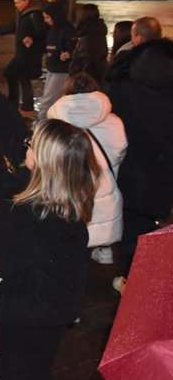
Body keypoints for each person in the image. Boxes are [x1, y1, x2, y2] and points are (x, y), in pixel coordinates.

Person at [0, 53, 99, 380]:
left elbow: (59, 306)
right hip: (0, 324)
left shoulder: (60, 229)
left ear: (44, 165)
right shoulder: (39, 182)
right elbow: (13, 133)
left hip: (23, 345)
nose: (25, 145)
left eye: (32, 145)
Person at [105, 16, 173, 294]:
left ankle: (129, 278)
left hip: (132, 163)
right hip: (165, 164)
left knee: (131, 221)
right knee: (156, 218)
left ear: (136, 37)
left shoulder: (124, 75)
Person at [48, 72, 127, 265]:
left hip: (71, 192)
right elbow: (119, 153)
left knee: (74, 245)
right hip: (105, 189)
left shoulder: (56, 126)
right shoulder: (115, 122)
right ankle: (105, 254)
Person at [0, 0, 46, 115]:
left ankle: (23, 105)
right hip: (22, 53)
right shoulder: (24, 14)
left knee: (17, 75)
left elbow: (42, 33)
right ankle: (22, 105)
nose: (16, 5)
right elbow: (13, 26)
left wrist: (32, 39)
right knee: (19, 76)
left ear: (26, 1)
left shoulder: (33, 15)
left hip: (28, 54)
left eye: (18, 2)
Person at [37, 2, 75, 121]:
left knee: (48, 99)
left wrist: (67, 53)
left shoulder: (67, 29)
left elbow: (73, 47)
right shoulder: (52, 29)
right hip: (52, 68)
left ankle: (42, 124)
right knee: (50, 97)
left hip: (61, 70)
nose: (45, 20)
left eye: (47, 17)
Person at [72, 4, 108, 83]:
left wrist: (75, 73)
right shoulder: (98, 30)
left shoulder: (87, 34)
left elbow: (84, 57)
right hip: (98, 72)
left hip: (86, 76)